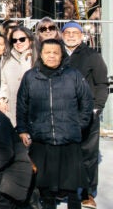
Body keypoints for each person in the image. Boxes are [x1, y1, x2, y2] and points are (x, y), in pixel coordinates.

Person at [16, 39, 93, 209]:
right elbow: (22, 105)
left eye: (55, 52)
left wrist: (78, 125)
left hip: (68, 138)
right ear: (41, 55)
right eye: (47, 52)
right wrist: (22, 129)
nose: (51, 55)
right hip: (42, 139)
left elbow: (86, 102)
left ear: (61, 55)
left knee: (72, 187)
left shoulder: (73, 75)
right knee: (45, 187)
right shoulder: (31, 76)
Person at [62, 21, 108, 207]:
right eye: (68, 32)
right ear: (62, 34)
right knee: (62, 153)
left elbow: (102, 84)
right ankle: (64, 189)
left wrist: (96, 108)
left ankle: (87, 193)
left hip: (86, 113)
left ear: (82, 36)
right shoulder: (55, 53)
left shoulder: (92, 56)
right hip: (61, 113)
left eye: (75, 32)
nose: (71, 35)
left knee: (87, 155)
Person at [0, 26, 35, 125]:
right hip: (10, 108)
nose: (18, 43)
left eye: (22, 39)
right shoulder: (6, 58)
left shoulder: (37, 58)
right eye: (14, 40)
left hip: (32, 108)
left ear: (30, 40)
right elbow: (3, 83)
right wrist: (1, 99)